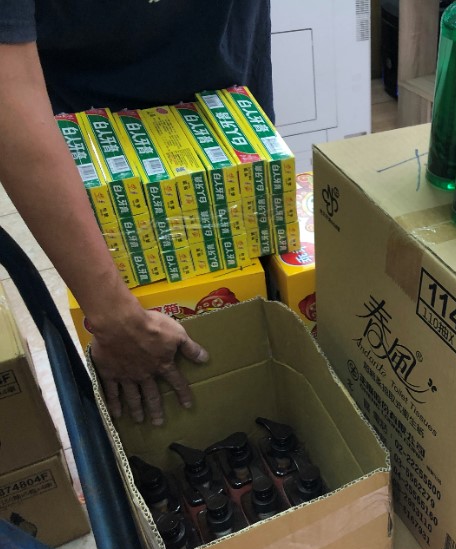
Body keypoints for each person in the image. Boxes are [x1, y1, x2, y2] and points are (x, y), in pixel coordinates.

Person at [0, 0, 273, 426]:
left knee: (258, 327)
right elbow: (9, 92)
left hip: (229, 119)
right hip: (101, 144)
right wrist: (111, 316)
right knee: (153, 386)